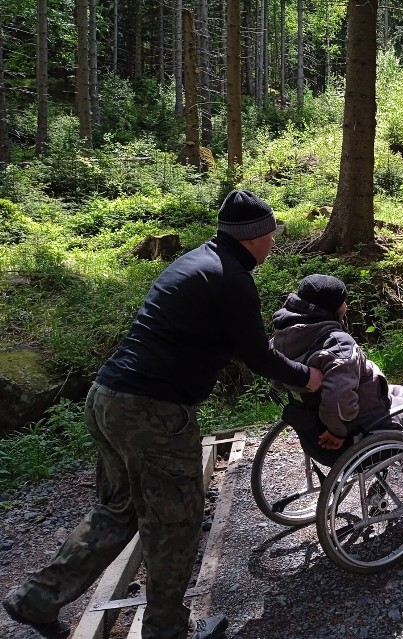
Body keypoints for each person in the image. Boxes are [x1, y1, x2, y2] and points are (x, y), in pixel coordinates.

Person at [3, 190, 323, 639]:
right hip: (152, 412)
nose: (273, 242)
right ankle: (167, 631)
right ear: (255, 236)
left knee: (118, 510)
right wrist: (306, 377)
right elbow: (257, 355)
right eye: (270, 234)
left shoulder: (197, 262)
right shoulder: (231, 279)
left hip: (108, 397)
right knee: (174, 521)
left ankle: (35, 600)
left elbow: (212, 340)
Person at [270, 274, 403, 506]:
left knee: (400, 391)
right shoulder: (336, 343)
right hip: (359, 427)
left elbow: (281, 380)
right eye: (343, 302)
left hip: (315, 424)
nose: (347, 306)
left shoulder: (283, 337)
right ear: (331, 307)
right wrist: (338, 430)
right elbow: (339, 399)